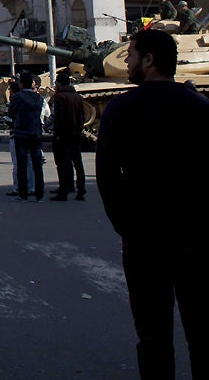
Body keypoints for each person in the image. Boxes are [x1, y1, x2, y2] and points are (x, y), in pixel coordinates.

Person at [97, 29, 208, 379]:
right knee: (202, 333)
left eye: (131, 54)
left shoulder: (120, 109)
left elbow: (107, 178)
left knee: (153, 334)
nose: (127, 61)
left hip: (144, 240)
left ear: (148, 60)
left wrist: (127, 226)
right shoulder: (199, 107)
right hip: (196, 238)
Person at [7, 71, 46, 202]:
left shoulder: (17, 97)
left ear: (22, 84)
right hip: (36, 133)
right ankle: (39, 193)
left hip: (21, 133)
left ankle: (23, 193)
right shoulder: (39, 98)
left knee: (22, 164)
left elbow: (11, 113)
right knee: (37, 165)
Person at [50, 71, 86, 201]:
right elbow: (82, 115)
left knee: (63, 163)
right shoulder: (77, 96)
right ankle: (81, 190)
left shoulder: (60, 97)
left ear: (59, 83)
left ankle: (63, 190)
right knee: (78, 163)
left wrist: (58, 134)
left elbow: (60, 117)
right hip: (76, 133)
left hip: (64, 134)